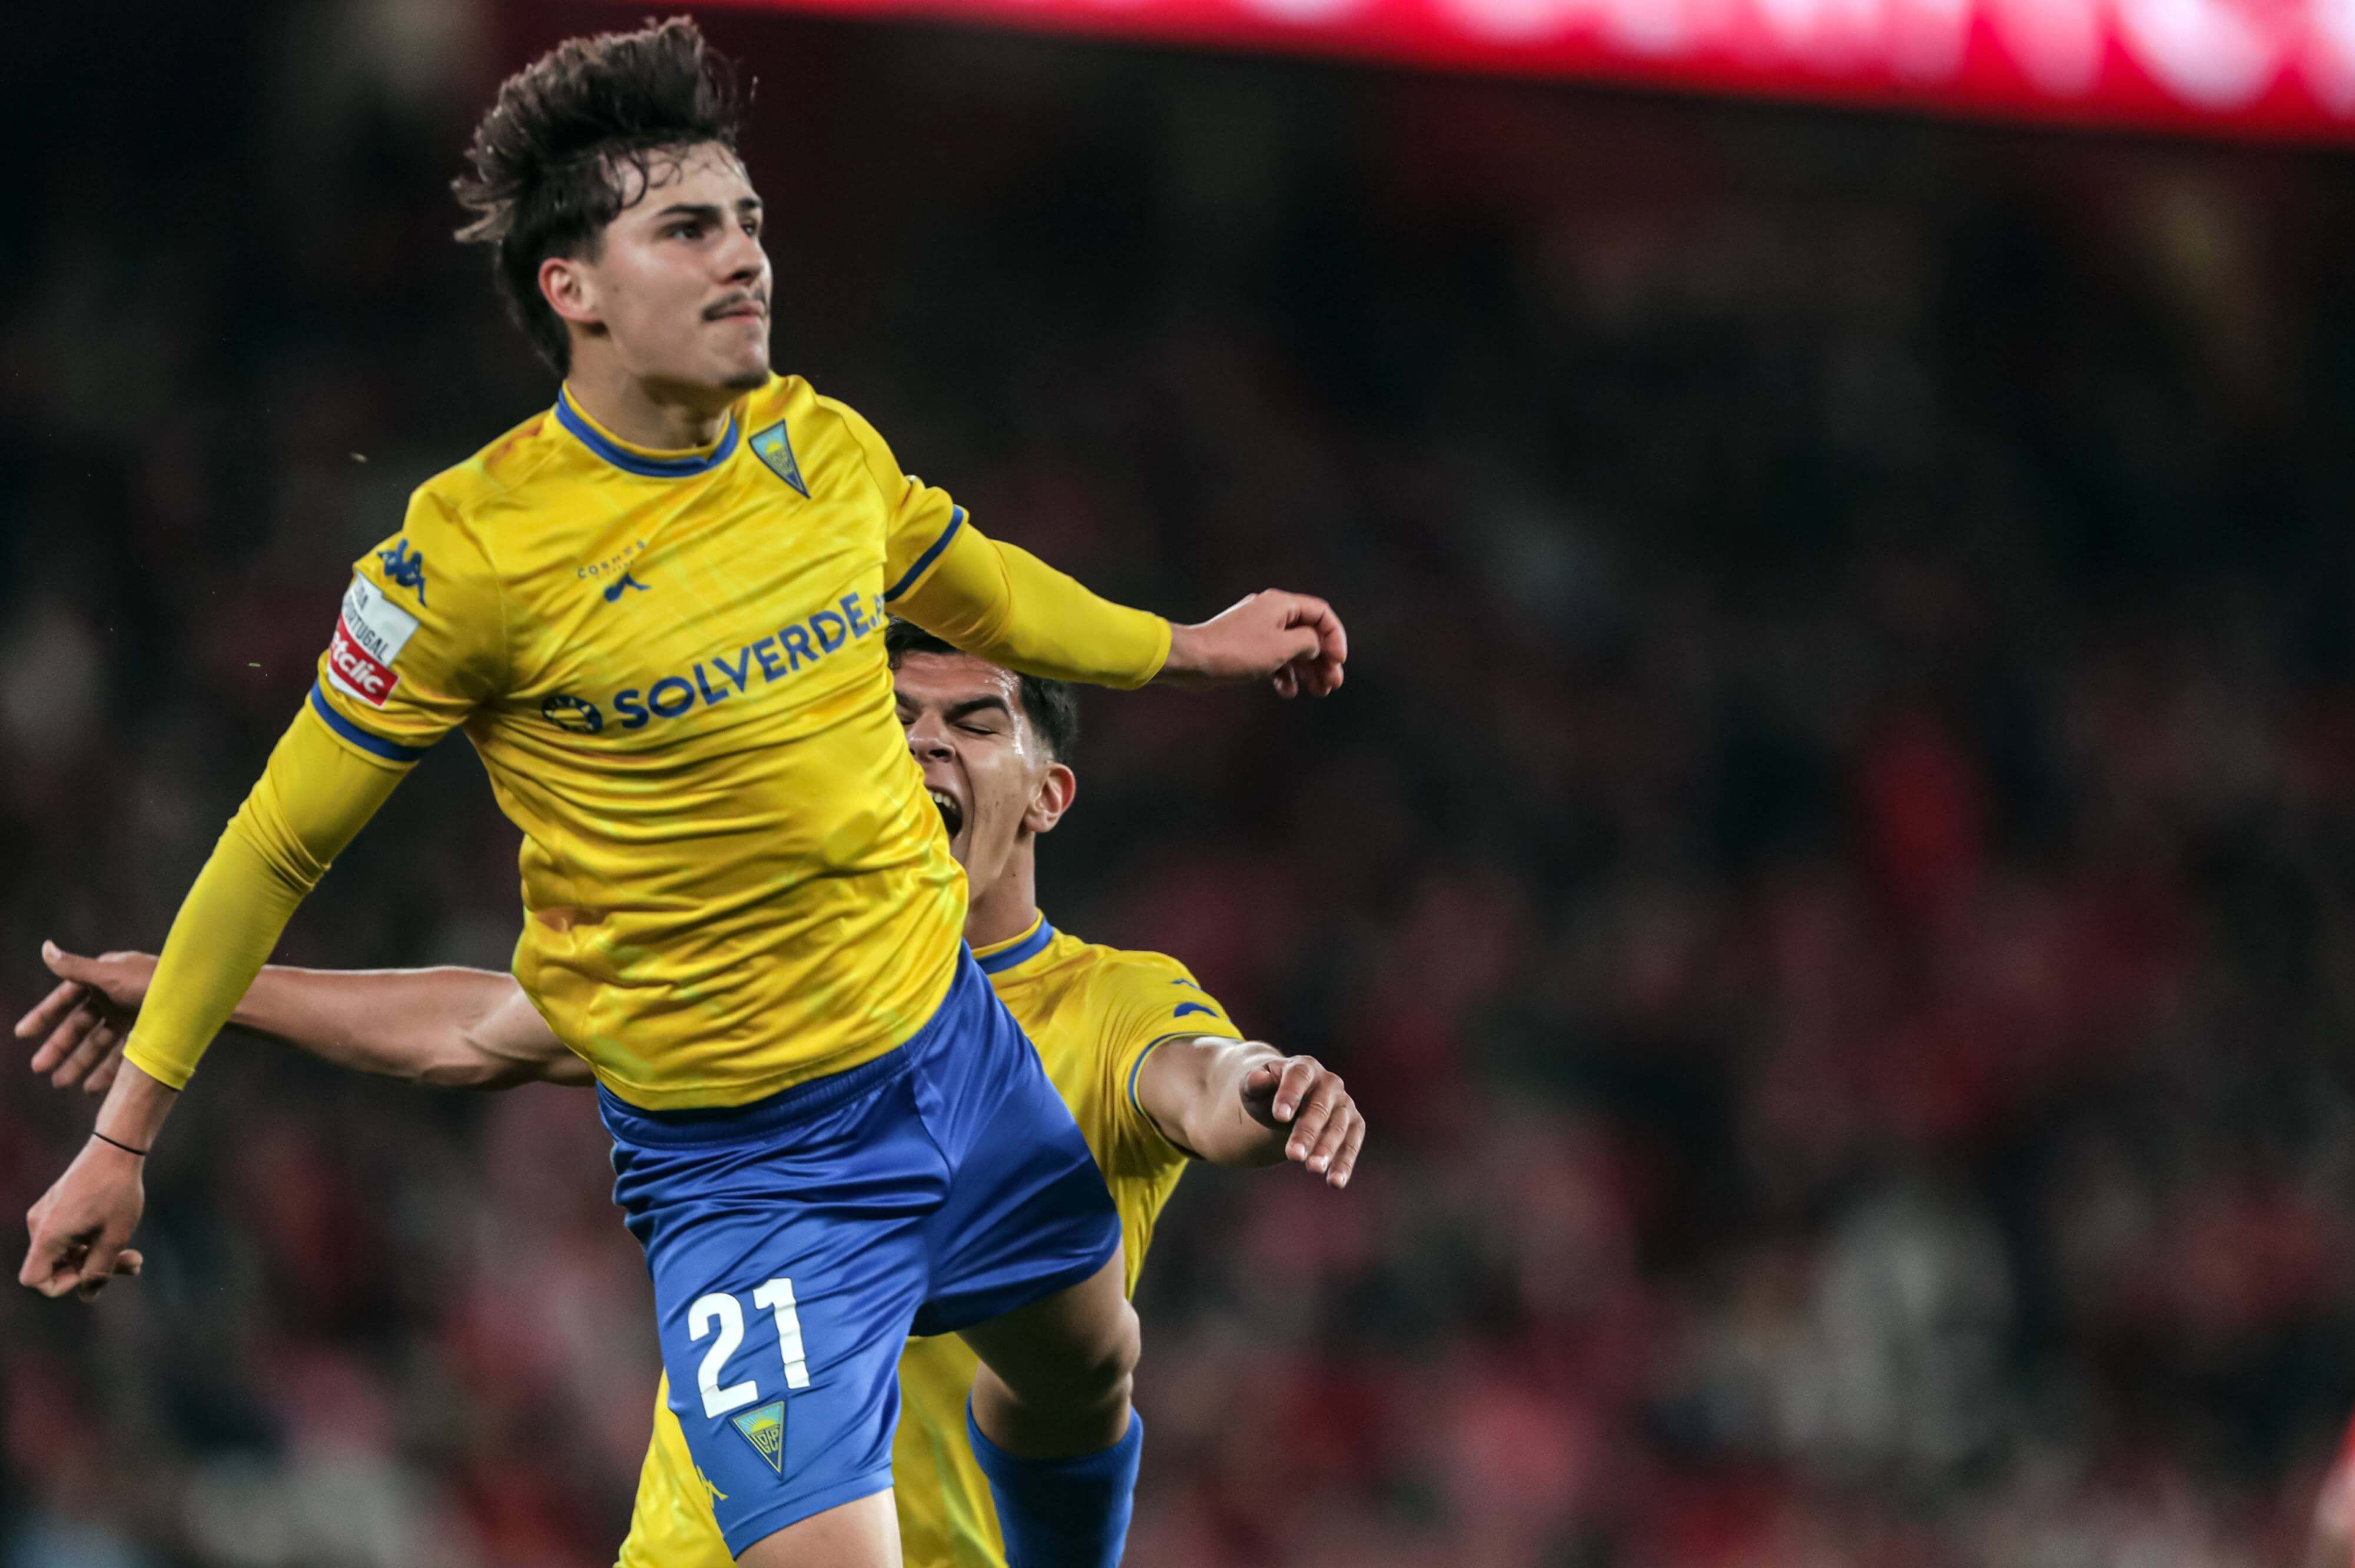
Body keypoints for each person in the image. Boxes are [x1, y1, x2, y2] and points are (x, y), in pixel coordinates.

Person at [14, 19, 1348, 1567]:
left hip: (950, 1055)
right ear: (571, 288)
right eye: (690, 229)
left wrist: (1189, 647)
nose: (747, 258)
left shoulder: (820, 453)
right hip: (759, 1171)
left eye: (754, 222)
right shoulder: (472, 558)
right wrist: (124, 1138)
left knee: (1091, 1362)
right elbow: (279, 845)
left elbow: (991, 592)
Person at [21, 622, 1368, 1567]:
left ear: (1050, 794)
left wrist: (1273, 1087)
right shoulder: (752, 979)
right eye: (887, 722)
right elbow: (475, 1027)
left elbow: (1199, 1083)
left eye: (972, 722)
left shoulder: (1108, 996)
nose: (922, 748)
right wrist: (197, 988)